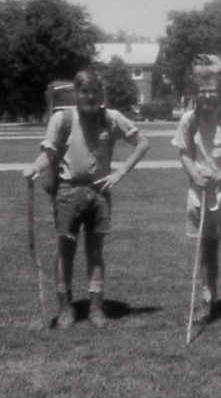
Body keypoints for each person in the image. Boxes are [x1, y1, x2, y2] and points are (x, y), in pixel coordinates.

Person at [25, 69, 150, 329]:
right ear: (77, 93)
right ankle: (65, 308)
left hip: (100, 193)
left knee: (95, 252)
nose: (90, 96)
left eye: (94, 91)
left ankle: (95, 307)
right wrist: (35, 168)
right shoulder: (62, 119)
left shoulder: (111, 118)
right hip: (68, 191)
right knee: (65, 251)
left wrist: (121, 172)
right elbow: (48, 152)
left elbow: (142, 143)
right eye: (84, 92)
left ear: (100, 93)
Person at [171, 71, 221, 331]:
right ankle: (207, 303)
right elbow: (184, 152)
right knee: (205, 250)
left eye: (212, 90)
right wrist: (195, 174)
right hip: (199, 192)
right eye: (202, 91)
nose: (207, 95)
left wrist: (219, 175)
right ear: (195, 94)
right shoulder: (189, 119)